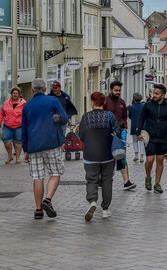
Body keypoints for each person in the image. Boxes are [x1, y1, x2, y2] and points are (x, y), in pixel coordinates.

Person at [21, 78, 69, 220]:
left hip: (34, 145)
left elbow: (24, 130)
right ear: (45, 89)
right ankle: (47, 199)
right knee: (55, 172)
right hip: (51, 142)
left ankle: (38, 209)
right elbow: (64, 118)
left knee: (37, 176)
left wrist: (26, 150)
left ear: (32, 90)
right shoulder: (53, 101)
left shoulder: (27, 106)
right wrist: (57, 118)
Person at [78, 92, 117, 221]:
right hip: (107, 155)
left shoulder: (86, 117)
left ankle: (92, 201)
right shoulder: (109, 116)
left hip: (90, 155)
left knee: (91, 179)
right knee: (107, 181)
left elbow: (82, 136)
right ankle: (105, 210)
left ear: (92, 102)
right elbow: (119, 131)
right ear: (104, 102)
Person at [136, 84, 167, 193]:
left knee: (160, 160)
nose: (154, 95)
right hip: (150, 136)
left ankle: (157, 184)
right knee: (150, 159)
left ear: (163, 95)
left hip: (163, 137)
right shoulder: (147, 105)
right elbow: (141, 119)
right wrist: (138, 132)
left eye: (157, 94)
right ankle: (148, 177)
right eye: (153, 93)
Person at [103, 81, 136, 190]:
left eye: (119, 90)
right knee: (106, 156)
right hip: (108, 132)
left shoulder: (122, 102)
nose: (118, 92)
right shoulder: (105, 102)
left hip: (121, 132)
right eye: (116, 90)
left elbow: (124, 117)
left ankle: (126, 181)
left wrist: (125, 129)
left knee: (121, 155)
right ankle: (101, 180)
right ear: (111, 90)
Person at [0, 87, 26, 164]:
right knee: (6, 141)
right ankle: (10, 156)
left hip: (19, 126)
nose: (15, 95)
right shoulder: (6, 103)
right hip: (7, 126)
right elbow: (2, 113)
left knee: (18, 142)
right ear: (11, 94)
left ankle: (18, 158)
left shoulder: (24, 103)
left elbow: (26, 114)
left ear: (19, 95)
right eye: (13, 93)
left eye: (16, 93)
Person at [127, 93, 146, 162]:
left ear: (134, 99)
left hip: (134, 126)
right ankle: (141, 156)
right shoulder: (144, 106)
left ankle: (136, 155)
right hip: (143, 126)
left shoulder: (131, 107)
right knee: (142, 141)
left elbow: (129, 116)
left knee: (135, 141)